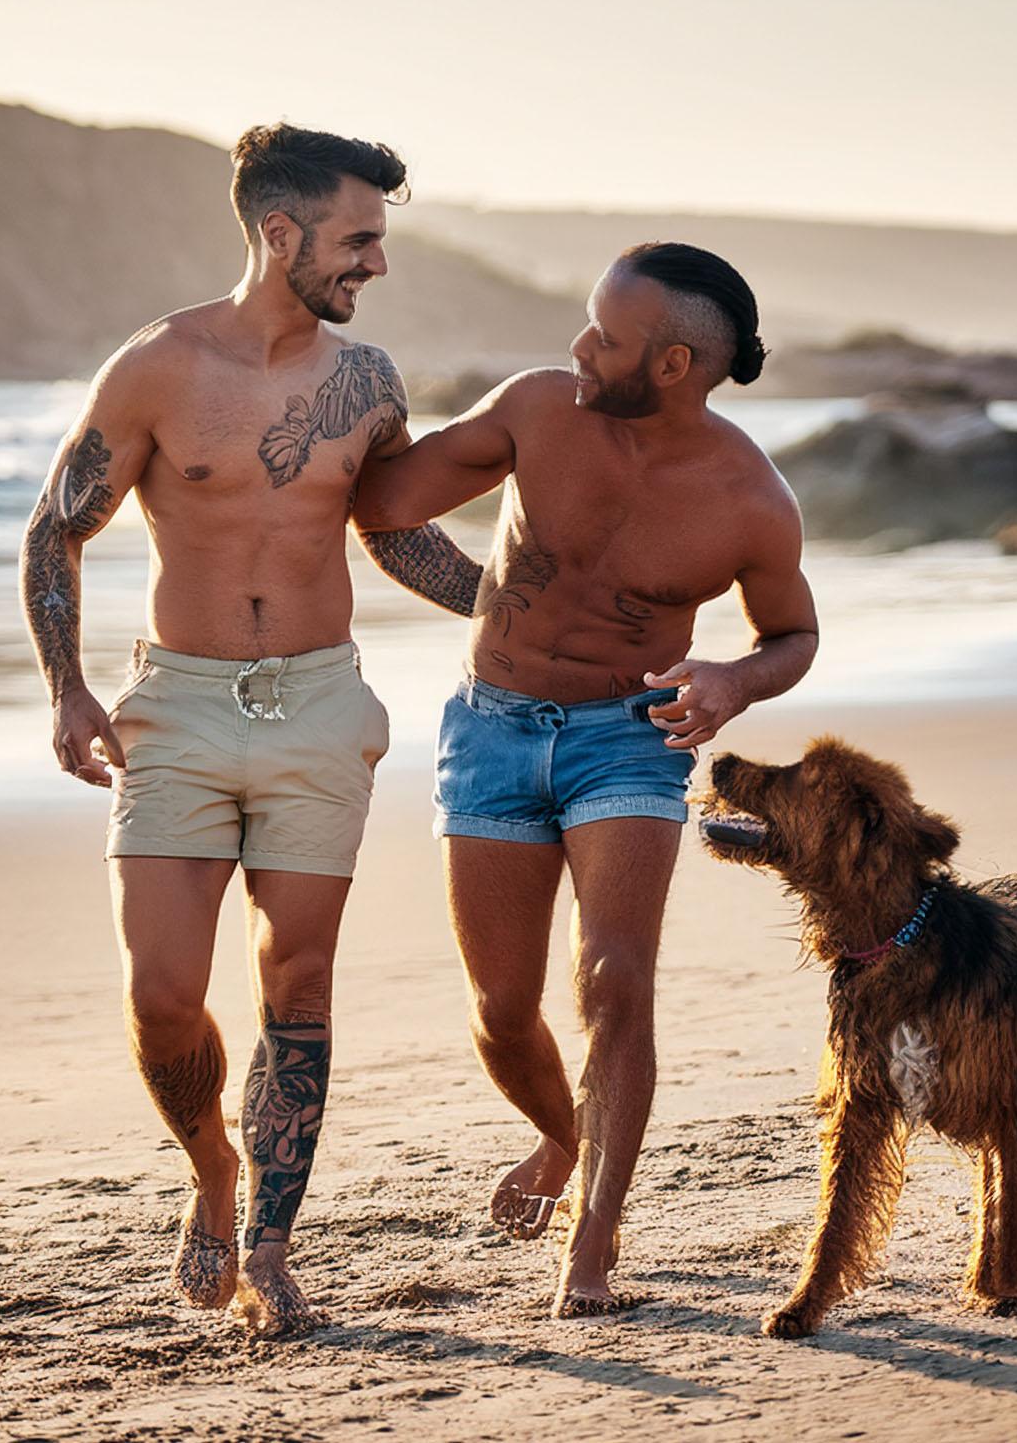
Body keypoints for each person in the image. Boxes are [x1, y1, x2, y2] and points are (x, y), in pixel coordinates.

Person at [19, 123, 448, 1337]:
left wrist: (512, 600)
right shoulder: (159, 368)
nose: (375, 263)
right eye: (359, 238)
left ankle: (269, 1239)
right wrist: (67, 688)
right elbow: (58, 526)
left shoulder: (367, 385)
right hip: (182, 708)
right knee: (162, 993)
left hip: (317, 702)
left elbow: (394, 530)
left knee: (297, 980)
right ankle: (211, 1165)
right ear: (281, 231)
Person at [349, 242, 820, 1317]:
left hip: (629, 737)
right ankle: (563, 1137)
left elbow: (793, 633)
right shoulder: (538, 409)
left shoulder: (749, 497)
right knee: (503, 1011)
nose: (579, 347)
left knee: (614, 980)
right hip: (492, 730)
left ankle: (594, 1246)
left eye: (606, 336)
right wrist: (351, 407)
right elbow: (384, 502)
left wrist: (734, 679)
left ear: (672, 364)